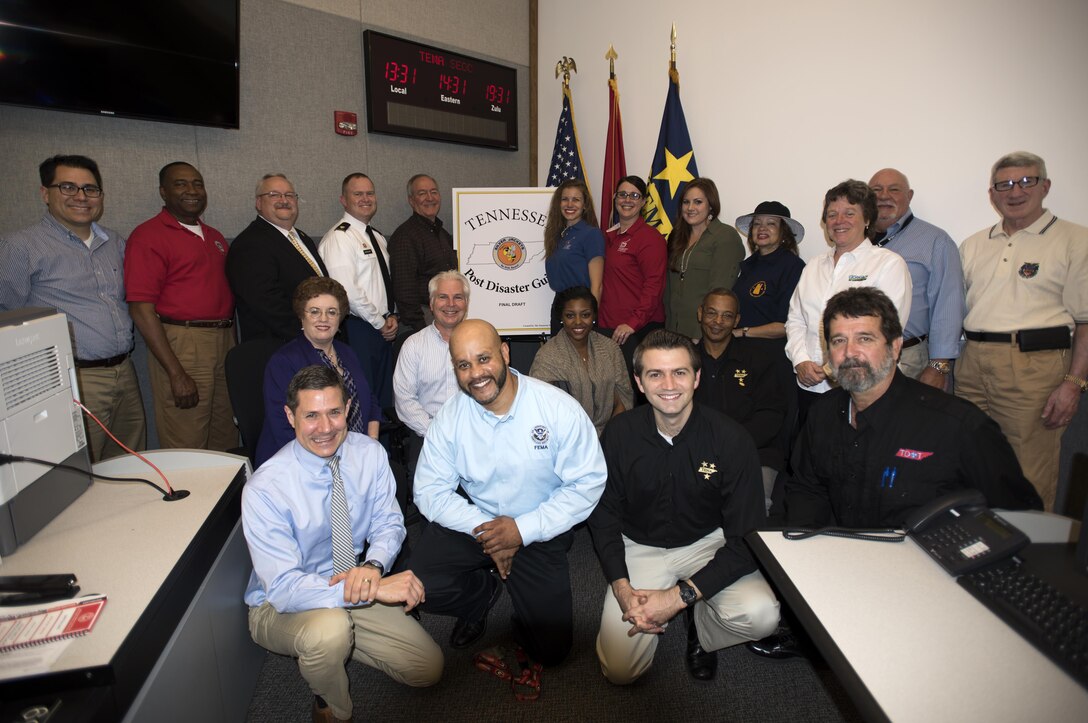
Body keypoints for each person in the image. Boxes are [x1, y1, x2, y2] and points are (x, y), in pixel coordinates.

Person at [751, 288, 1041, 661]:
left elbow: (1017, 515)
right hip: (844, 561)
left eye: (865, 339)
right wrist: (805, 563)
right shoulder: (823, 414)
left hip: (931, 581)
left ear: (895, 346)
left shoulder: (959, 426)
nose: (850, 352)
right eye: (839, 340)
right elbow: (807, 487)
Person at [409, 320, 606, 699]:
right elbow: (429, 491)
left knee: (552, 651)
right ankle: (481, 595)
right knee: (419, 585)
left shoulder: (557, 409)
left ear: (504, 353)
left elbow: (588, 483)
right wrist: (491, 530)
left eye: (483, 358)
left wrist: (521, 530)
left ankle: (521, 595)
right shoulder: (451, 417)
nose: (475, 374)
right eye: (463, 365)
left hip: (539, 525)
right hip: (476, 522)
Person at [242, 365, 442, 723]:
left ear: (347, 408)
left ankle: (336, 644)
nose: (326, 428)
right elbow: (285, 588)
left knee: (427, 669)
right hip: (281, 604)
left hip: (351, 580)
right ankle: (331, 705)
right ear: (290, 416)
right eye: (311, 416)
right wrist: (374, 590)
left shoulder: (369, 454)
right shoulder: (265, 488)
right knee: (329, 631)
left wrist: (373, 568)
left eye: (334, 412)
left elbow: (388, 523)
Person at [588, 329, 780, 684]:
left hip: (706, 542)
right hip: (639, 545)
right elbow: (603, 516)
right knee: (619, 672)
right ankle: (690, 601)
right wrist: (621, 585)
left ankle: (702, 627)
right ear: (639, 382)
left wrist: (680, 597)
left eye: (679, 372)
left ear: (697, 378)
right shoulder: (618, 434)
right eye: (655, 374)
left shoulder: (732, 439)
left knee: (762, 615)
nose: (668, 384)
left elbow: (747, 536)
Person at [958, 151, 1088, 512]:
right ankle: (977, 550)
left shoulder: (1075, 240)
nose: (1015, 191)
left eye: (1026, 181)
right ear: (992, 193)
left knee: (1028, 469)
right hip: (973, 363)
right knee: (969, 459)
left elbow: (1086, 322)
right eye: (1005, 184)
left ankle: (1030, 561)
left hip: (1034, 366)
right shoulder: (973, 245)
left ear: (1045, 186)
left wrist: (1074, 384)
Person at [0, 154, 146, 461]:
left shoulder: (115, 243)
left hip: (124, 371)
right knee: (81, 469)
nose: (81, 197)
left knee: (131, 461)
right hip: (71, 379)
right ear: (45, 193)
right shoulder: (21, 246)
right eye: (68, 187)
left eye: (90, 189)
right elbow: (8, 319)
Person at [125, 161, 236, 451]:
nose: (192, 190)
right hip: (184, 345)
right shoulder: (149, 235)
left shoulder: (214, 237)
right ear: (163, 192)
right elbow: (140, 308)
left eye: (197, 184)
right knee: (188, 439)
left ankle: (226, 497)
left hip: (223, 340)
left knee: (224, 435)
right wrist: (176, 373)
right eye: (181, 184)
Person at [785, 179, 911, 423]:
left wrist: (832, 369)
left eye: (849, 213)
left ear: (867, 220)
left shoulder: (888, 264)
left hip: (861, 387)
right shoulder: (813, 265)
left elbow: (887, 330)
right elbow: (796, 319)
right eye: (832, 214)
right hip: (809, 386)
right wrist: (800, 360)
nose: (838, 220)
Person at [256, 277, 382, 469]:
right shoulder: (283, 362)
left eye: (332, 312)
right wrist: (334, 464)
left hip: (351, 454)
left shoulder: (347, 352)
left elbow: (370, 401)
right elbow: (283, 427)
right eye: (314, 312)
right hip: (301, 463)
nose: (323, 319)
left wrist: (370, 445)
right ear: (302, 316)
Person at [868, 168, 964, 391]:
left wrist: (939, 366)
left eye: (894, 190)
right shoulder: (856, 241)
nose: (883, 196)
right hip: (861, 354)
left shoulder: (935, 241)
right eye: (876, 190)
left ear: (909, 196)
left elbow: (948, 304)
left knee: (906, 425)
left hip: (910, 358)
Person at [693, 289, 786, 507]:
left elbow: (771, 415)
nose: (718, 321)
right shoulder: (684, 360)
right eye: (711, 313)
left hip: (754, 453)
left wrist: (730, 445)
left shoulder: (760, 359)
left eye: (727, 316)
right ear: (700, 314)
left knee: (751, 506)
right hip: (697, 451)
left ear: (737, 320)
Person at [319, 173, 397, 408]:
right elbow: (347, 292)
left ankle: (380, 445)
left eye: (370, 193)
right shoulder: (339, 238)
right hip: (359, 329)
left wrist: (391, 316)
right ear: (344, 200)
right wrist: (379, 322)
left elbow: (383, 283)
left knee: (383, 401)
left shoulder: (377, 237)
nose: (366, 198)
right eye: (358, 194)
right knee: (362, 400)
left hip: (382, 327)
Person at [227, 173, 328, 343]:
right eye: (274, 195)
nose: (284, 200)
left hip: (315, 340)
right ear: (258, 203)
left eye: (289, 195)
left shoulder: (302, 238)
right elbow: (267, 304)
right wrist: (311, 332)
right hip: (281, 347)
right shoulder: (250, 244)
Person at [392, 270, 470, 478]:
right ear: (432, 302)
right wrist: (437, 434)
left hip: (475, 437)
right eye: (443, 297)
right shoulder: (413, 346)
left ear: (467, 302)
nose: (450, 304)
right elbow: (405, 401)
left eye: (458, 297)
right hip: (427, 436)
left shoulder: (483, 343)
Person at [529, 286, 633, 435]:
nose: (578, 322)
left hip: (611, 434)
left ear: (594, 316)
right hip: (566, 437)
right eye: (570, 316)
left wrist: (608, 438)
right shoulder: (548, 356)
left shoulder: (610, 348)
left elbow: (623, 400)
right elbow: (542, 407)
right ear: (561, 318)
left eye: (585, 315)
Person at [597, 176, 666, 388]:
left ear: (644, 201)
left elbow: (654, 286)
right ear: (615, 198)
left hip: (636, 329)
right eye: (623, 194)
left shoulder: (650, 238)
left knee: (635, 392)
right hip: (607, 328)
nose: (628, 200)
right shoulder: (606, 236)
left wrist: (632, 323)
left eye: (635, 195)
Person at [664, 178, 745, 340]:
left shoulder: (725, 236)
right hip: (673, 330)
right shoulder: (676, 236)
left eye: (698, 202)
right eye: (686, 202)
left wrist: (705, 334)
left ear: (711, 206)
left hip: (703, 333)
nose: (690, 208)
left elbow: (720, 291)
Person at [389, 174, 457, 337]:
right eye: (422, 193)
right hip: (425, 321)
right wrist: (421, 329)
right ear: (411, 200)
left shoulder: (443, 234)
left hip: (447, 316)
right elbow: (404, 289)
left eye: (434, 192)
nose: (429, 198)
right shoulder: (405, 236)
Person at [732, 200, 806, 341]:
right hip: (740, 349)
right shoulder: (749, 264)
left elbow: (786, 325)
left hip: (770, 353)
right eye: (757, 223)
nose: (762, 228)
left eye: (771, 223)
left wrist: (743, 332)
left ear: (783, 232)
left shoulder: (793, 267)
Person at [542, 180, 604, 334]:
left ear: (585, 205)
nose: (570, 204)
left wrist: (590, 317)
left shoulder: (591, 234)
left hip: (580, 307)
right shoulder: (557, 236)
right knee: (559, 356)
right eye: (565, 199)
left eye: (576, 199)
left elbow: (597, 285)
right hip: (559, 305)